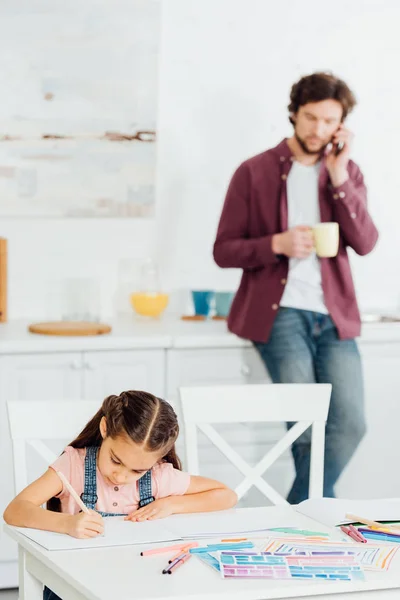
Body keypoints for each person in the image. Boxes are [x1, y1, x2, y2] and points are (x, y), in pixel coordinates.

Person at [213, 72, 379, 504]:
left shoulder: (346, 171)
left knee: (351, 422)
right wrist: (276, 245)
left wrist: (339, 177)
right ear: (293, 113)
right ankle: (315, 527)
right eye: (310, 118)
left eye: (329, 121)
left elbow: (365, 242)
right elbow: (223, 250)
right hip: (279, 315)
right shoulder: (254, 172)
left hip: (334, 317)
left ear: (341, 124)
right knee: (306, 428)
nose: (318, 130)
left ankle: (293, 516)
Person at [4, 390, 237, 600]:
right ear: (105, 429)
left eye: (137, 470)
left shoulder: (157, 477)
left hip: (136, 586)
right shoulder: (74, 465)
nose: (121, 476)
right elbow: (15, 510)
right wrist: (67, 523)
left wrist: (172, 504)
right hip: (71, 586)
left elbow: (226, 496)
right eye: (116, 460)